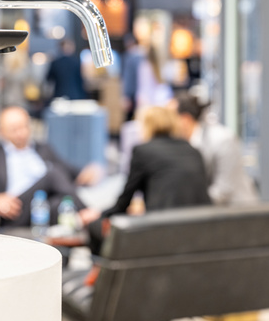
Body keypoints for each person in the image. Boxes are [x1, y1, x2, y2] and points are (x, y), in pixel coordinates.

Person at [89, 106, 210, 256]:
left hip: (162, 231)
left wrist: (99, 214)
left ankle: (101, 271)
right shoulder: (193, 151)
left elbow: (123, 203)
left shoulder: (143, 151)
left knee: (94, 226)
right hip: (199, 230)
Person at [0, 106, 103, 229]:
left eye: (24, 127)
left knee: (59, 202)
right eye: (14, 129)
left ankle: (93, 227)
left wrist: (86, 173)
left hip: (43, 207)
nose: (21, 133)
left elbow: (68, 172)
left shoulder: (43, 149)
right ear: (0, 131)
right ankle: (90, 213)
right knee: (52, 174)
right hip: (15, 209)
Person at [175, 91, 259, 205]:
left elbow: (224, 190)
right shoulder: (183, 144)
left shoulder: (222, 139)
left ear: (185, 119)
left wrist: (188, 202)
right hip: (210, 209)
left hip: (236, 210)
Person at [120, 33, 146, 121]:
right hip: (143, 94)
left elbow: (128, 77)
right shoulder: (144, 55)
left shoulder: (130, 56)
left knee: (131, 120)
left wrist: (126, 95)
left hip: (133, 94)